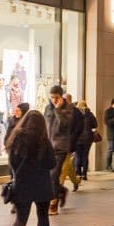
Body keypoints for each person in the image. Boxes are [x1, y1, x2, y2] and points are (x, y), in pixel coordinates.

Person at [5, 110, 58, 226]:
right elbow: (51, 164)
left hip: (22, 183)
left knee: (21, 219)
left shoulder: (17, 139)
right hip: (41, 184)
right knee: (43, 216)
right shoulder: (43, 141)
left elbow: (12, 163)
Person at [44, 86, 77, 215]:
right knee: (49, 176)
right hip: (48, 147)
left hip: (61, 147)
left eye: (56, 97)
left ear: (61, 97)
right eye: (51, 97)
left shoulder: (68, 109)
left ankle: (53, 203)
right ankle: (61, 190)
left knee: (54, 175)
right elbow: (45, 126)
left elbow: (64, 125)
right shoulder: (47, 108)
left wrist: (58, 110)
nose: (53, 100)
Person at [74, 100, 99, 181]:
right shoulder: (90, 114)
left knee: (78, 156)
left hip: (77, 138)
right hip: (88, 138)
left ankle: (78, 174)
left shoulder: (75, 114)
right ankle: (84, 174)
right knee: (85, 156)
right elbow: (95, 125)